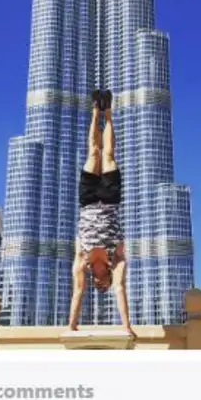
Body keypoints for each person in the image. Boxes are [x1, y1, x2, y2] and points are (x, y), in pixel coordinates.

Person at [68, 89, 136, 339]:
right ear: (106, 278)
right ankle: (107, 114)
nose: (100, 285)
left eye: (98, 286)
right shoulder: (116, 260)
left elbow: (77, 293)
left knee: (93, 153)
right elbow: (120, 288)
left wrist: (71, 327)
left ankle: (95, 111)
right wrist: (126, 327)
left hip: (86, 202)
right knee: (107, 154)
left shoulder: (81, 261)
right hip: (109, 200)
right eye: (102, 285)